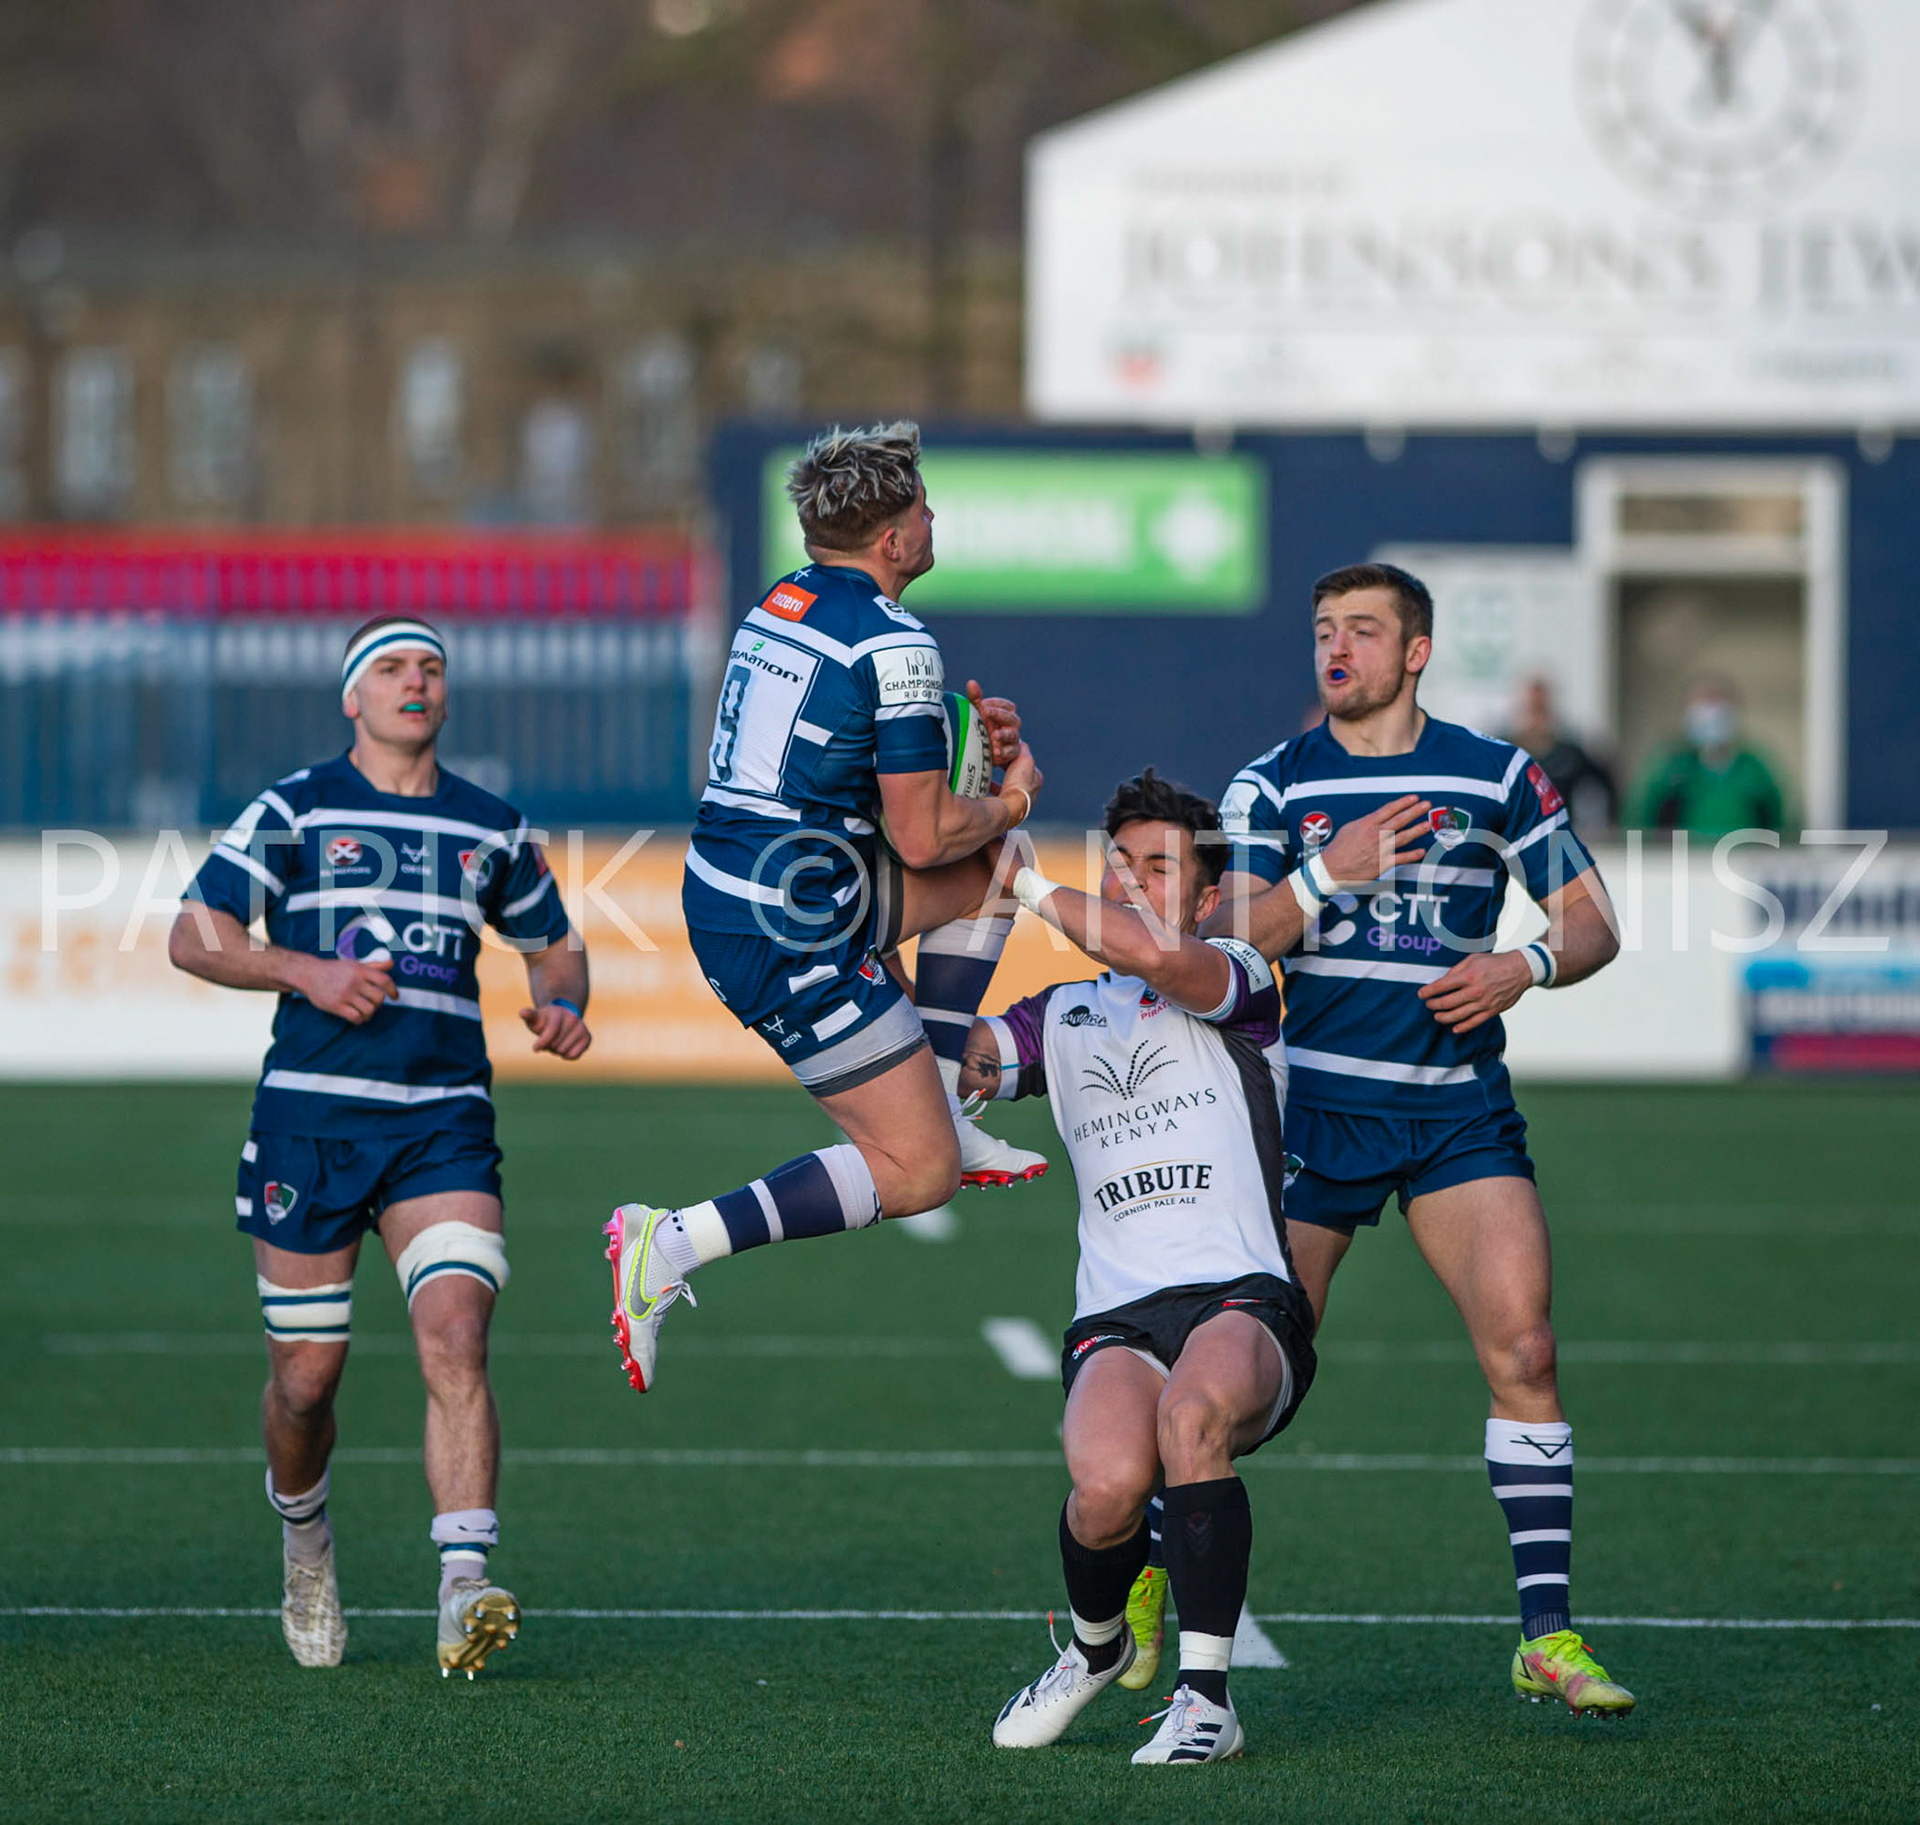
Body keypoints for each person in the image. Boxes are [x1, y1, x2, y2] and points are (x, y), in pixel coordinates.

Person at [1195, 561, 1635, 1718]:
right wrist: (1326, 873)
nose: (1336, 648)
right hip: (1314, 1117)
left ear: (1418, 649)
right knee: (1241, 1385)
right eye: (1323, 628)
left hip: (1456, 1115)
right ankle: (1155, 1571)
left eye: (1362, 630)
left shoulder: (1498, 774)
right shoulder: (1272, 786)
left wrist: (1524, 963)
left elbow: (1592, 922)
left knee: (1526, 1351)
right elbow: (1225, 943)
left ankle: (1547, 1634)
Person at [168, 613, 589, 1676]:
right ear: (353, 697)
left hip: (443, 1121)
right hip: (309, 1124)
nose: (417, 681)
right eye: (393, 667)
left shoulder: (491, 824)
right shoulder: (296, 807)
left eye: (432, 667)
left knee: (456, 1334)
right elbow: (195, 932)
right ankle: (305, 1538)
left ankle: (463, 1586)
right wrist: (304, 970)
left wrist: (561, 1002)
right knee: (307, 1383)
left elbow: (556, 945)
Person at [605, 421, 1045, 1394]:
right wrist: (1010, 794)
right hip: (792, 921)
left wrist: (964, 760)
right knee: (919, 1175)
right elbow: (925, 836)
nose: (934, 519)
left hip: (765, 882)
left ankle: (943, 1097)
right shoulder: (897, 641)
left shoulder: (782, 600)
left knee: (998, 868)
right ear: (894, 540)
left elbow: (856, 784)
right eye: (924, 505)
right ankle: (668, 1243)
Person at [974, 771, 1316, 1765]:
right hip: (1117, 1316)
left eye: (1156, 865)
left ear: (1204, 897)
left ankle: (1206, 1700)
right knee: (1107, 1486)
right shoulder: (1065, 1011)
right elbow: (959, 1057)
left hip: (1241, 1301)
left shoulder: (1240, 975)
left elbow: (1149, 953)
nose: (1128, 878)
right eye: (1117, 861)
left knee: (1191, 1421)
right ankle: (1093, 1648)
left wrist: (1027, 883)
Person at [1625, 677, 1788, 836]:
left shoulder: (1754, 767)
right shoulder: (1670, 766)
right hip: (1681, 860)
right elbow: (1640, 819)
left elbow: (1779, 821)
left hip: (1744, 857)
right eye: (1702, 705)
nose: (1710, 715)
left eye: (1716, 704)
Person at [1509, 676, 1616, 834]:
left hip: (1558, 840)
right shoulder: (1502, 752)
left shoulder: (1570, 754)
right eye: (1531, 711)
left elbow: (1606, 782)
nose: (1535, 720)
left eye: (1541, 711)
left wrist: (1608, 824)